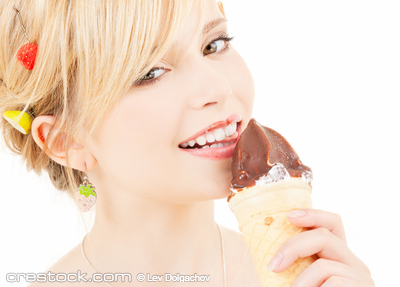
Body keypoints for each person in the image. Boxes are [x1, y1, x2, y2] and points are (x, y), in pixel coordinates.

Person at [0, 0, 375, 286]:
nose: (218, 87)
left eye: (214, 44)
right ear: (66, 141)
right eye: (150, 72)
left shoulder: (305, 276)